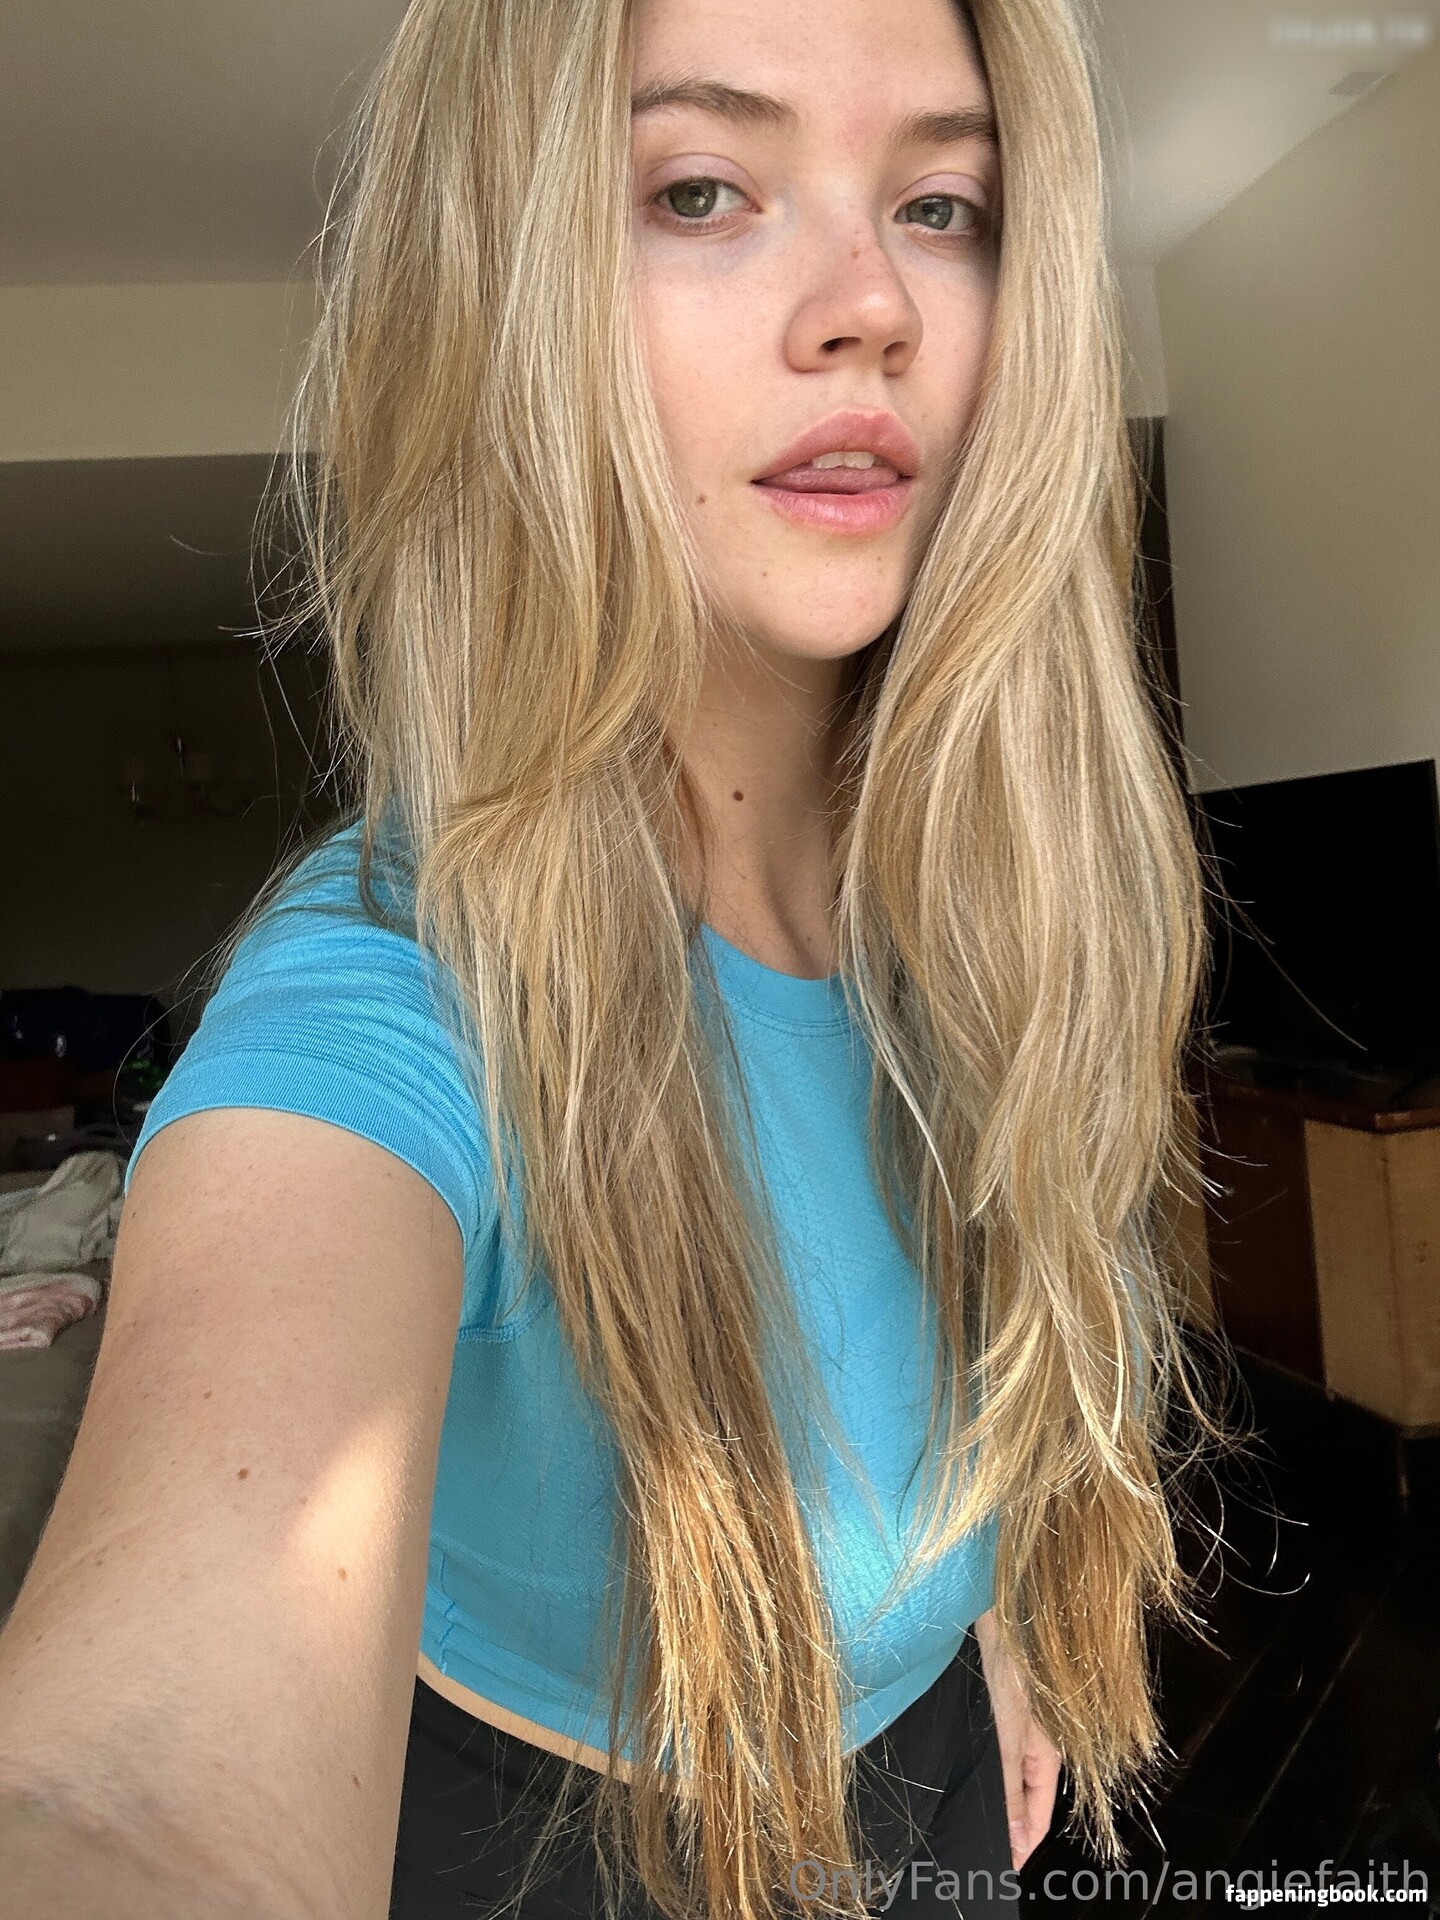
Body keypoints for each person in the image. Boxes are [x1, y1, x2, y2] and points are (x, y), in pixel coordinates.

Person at [0, 1, 1230, 1917]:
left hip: (935, 1787)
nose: (871, 308)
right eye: (702, 189)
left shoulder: (1009, 905)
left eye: (944, 206)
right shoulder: (390, 984)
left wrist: (972, 1606)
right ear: (507, 295)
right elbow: (135, 1789)